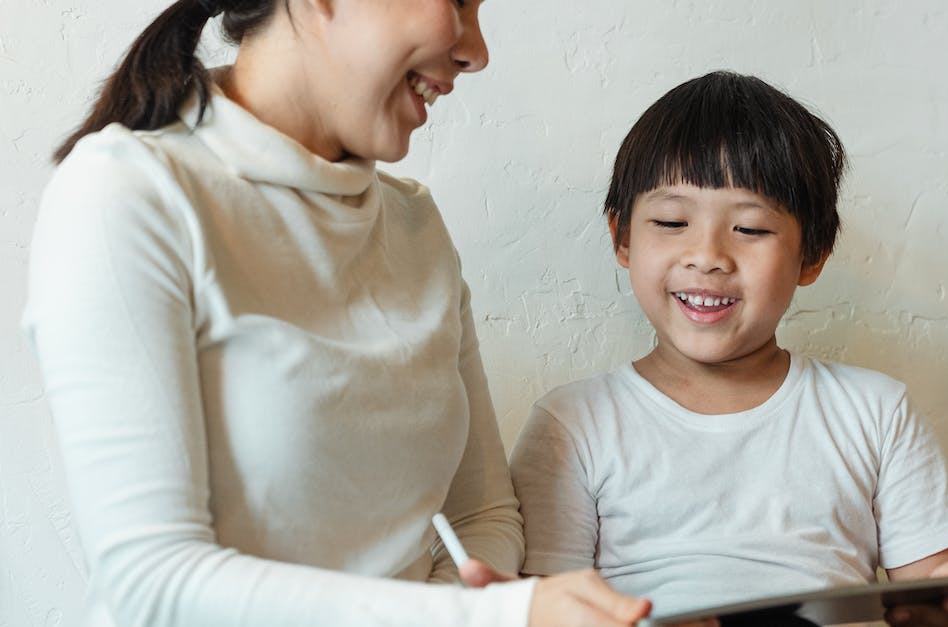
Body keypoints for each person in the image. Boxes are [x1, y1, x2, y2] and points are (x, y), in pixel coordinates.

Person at [23, 1, 651, 625]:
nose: (475, 50)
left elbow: (481, 515)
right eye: (458, 2)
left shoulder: (415, 226)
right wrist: (491, 616)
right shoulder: (128, 195)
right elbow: (150, 581)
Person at [509, 71, 948, 626]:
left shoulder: (875, 411)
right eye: (672, 221)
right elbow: (545, 612)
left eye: (750, 229)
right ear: (622, 237)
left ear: (812, 255)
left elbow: (941, 593)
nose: (707, 255)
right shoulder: (573, 422)